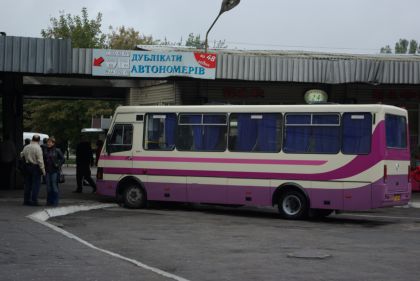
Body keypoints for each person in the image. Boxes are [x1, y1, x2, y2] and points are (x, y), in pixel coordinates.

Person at [21, 135, 45, 206]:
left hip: (27, 167)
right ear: (38, 140)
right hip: (35, 167)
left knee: (27, 184)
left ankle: (26, 200)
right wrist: (43, 170)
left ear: (32, 139)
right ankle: (34, 201)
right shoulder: (38, 148)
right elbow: (40, 160)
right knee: (35, 185)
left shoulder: (26, 147)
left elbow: (21, 154)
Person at [43, 137, 65, 206]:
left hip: (54, 171)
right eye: (48, 142)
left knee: (54, 185)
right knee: (48, 186)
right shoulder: (45, 150)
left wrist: (58, 164)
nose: (48, 143)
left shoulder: (57, 150)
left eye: (50, 142)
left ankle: (55, 202)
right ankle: (49, 201)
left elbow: (63, 159)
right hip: (47, 170)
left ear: (53, 143)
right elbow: (43, 159)